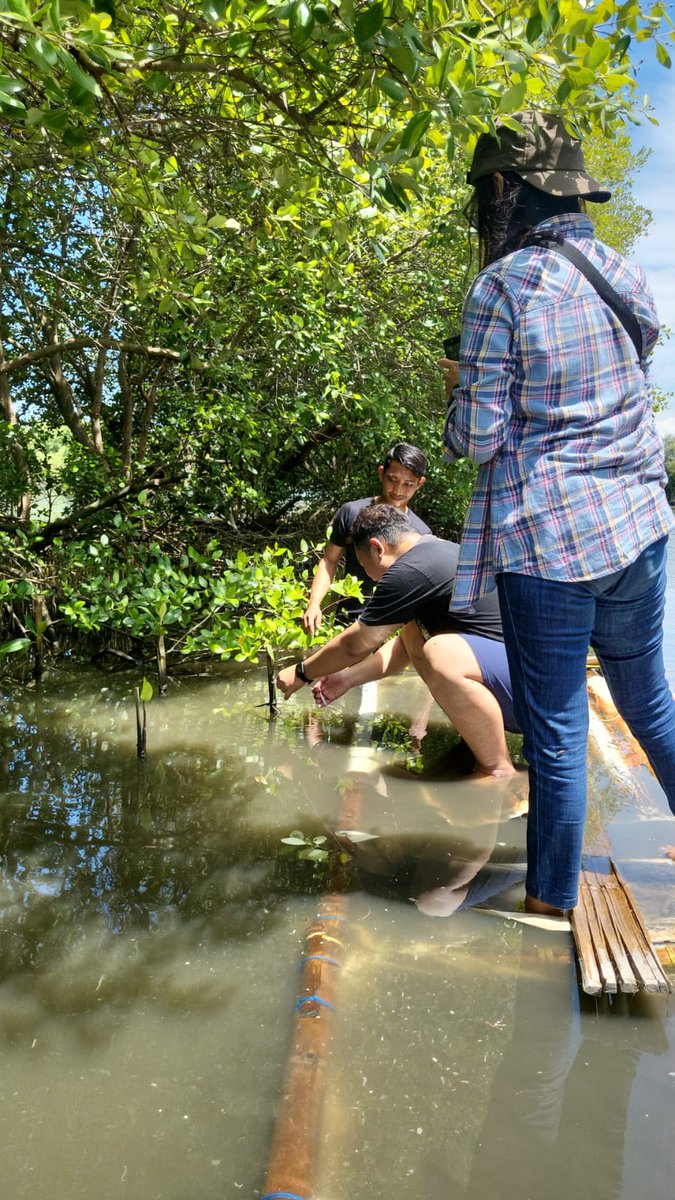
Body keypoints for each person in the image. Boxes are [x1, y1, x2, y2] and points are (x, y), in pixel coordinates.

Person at [442, 110, 675, 915]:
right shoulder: (625, 269)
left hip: (548, 537)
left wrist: (456, 395)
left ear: (504, 188)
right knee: (647, 702)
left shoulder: (499, 286)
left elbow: (476, 440)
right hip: (640, 523)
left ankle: (548, 898)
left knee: (555, 726)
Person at [278, 504, 519, 778]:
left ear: (377, 547)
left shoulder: (409, 570)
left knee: (441, 652)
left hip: (525, 694)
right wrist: (347, 678)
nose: (373, 579)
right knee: (414, 633)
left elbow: (355, 644)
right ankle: (481, 753)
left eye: (368, 569)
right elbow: (406, 646)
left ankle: (498, 770)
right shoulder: (434, 552)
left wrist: (302, 672)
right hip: (513, 680)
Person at [302, 442, 430, 635]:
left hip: (391, 628)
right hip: (346, 620)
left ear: (420, 483)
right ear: (381, 473)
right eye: (392, 479)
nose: (398, 490)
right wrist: (314, 604)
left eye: (408, 484)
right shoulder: (352, 512)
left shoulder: (421, 533)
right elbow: (329, 560)